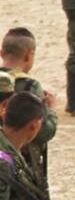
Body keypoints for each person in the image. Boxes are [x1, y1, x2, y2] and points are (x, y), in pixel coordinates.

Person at [0, 28, 57, 186]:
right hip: (21, 164)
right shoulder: (30, 85)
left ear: (1, 53)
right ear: (29, 55)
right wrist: (51, 110)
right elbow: (44, 131)